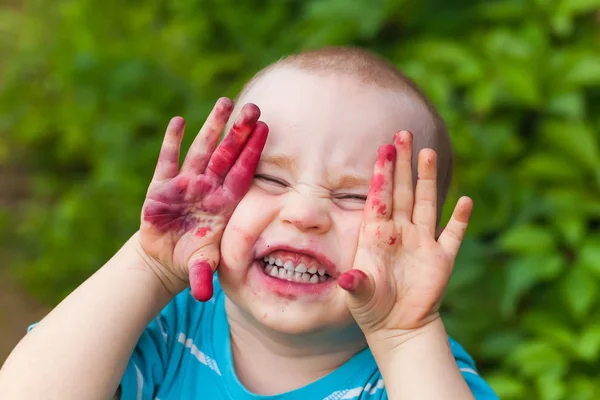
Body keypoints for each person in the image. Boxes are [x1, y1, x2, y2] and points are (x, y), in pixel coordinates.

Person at [0, 47, 498, 399]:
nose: (303, 215)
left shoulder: (415, 374)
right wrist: (147, 266)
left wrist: (404, 335)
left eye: (353, 196)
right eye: (269, 179)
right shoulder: (169, 333)